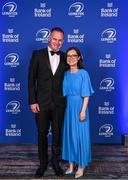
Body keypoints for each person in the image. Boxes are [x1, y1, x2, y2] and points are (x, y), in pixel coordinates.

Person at [28, 27, 67, 178]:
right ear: (49, 38)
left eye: (60, 40)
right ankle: (43, 164)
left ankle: (56, 164)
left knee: (57, 135)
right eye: (54, 39)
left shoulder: (65, 57)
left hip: (59, 104)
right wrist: (32, 101)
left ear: (63, 41)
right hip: (41, 103)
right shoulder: (37, 55)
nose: (57, 42)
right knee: (42, 134)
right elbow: (31, 80)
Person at [62, 47, 94, 178]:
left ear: (79, 57)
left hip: (80, 107)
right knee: (70, 136)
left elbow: (86, 95)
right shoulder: (65, 74)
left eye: (74, 55)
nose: (71, 58)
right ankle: (71, 165)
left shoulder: (83, 73)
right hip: (69, 108)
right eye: (68, 56)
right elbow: (64, 94)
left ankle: (81, 166)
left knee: (81, 137)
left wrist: (83, 111)